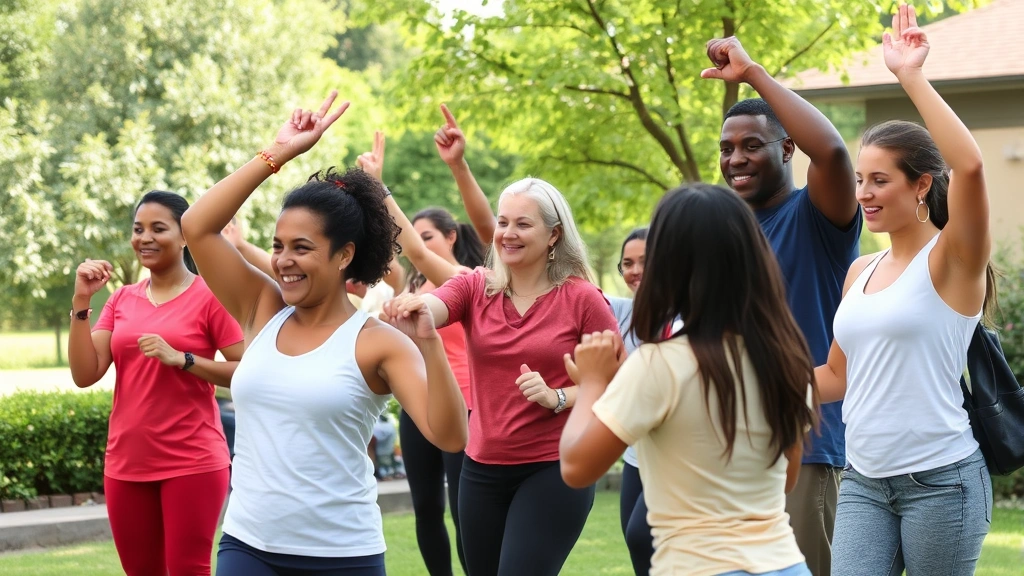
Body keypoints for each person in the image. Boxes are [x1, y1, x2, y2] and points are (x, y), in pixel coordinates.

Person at [180, 91, 468, 575]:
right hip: (248, 544)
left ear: (344, 255)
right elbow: (197, 225)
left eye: (302, 247)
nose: (283, 261)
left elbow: (450, 435)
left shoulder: (378, 341)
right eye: (278, 246)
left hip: (342, 556)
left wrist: (430, 344)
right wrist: (278, 153)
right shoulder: (261, 307)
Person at [383, 105, 621, 576]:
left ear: (554, 235)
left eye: (522, 224)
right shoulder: (476, 286)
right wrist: (414, 308)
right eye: (503, 222)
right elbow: (437, 304)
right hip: (481, 467)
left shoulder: (581, 299)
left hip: (554, 466)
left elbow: (619, 380)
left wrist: (558, 397)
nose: (507, 233)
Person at [814, 6, 994, 574]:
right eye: (860, 180)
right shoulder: (859, 271)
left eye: (880, 180)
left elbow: (968, 166)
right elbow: (837, 377)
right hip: (864, 480)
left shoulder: (953, 260)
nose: (864, 194)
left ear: (921, 185)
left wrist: (911, 78)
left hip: (941, 482)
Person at [560, 183, 818, 576]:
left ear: (668, 266)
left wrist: (593, 385)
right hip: (785, 565)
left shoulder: (656, 365)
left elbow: (576, 468)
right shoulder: (788, 360)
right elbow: (785, 479)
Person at [701, 33, 862, 576]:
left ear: (787, 148)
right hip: (729, 441)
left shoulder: (817, 217)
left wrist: (754, 76)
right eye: (726, 149)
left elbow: (835, 152)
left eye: (752, 145)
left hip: (806, 441)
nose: (736, 158)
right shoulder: (727, 230)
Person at [68, 191, 243, 576]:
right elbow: (85, 374)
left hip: (192, 462)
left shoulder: (209, 295)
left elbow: (250, 368)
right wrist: (82, 301)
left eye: (158, 229)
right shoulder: (121, 300)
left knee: (187, 571)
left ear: (185, 237)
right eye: (138, 229)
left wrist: (184, 360)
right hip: (126, 463)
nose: (145, 238)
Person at [357, 131, 483, 576]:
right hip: (417, 405)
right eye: (418, 235)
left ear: (450, 238)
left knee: (462, 508)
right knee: (426, 507)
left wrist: (378, 185)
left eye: (430, 235)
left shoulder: (465, 280)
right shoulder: (406, 286)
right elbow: (383, 247)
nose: (420, 243)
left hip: (463, 405)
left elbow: (409, 245)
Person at [606, 227, 656, 575]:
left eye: (644, 261)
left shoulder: (687, 319)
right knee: (636, 543)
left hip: (673, 455)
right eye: (627, 263)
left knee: (642, 535)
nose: (635, 270)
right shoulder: (620, 312)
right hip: (636, 455)